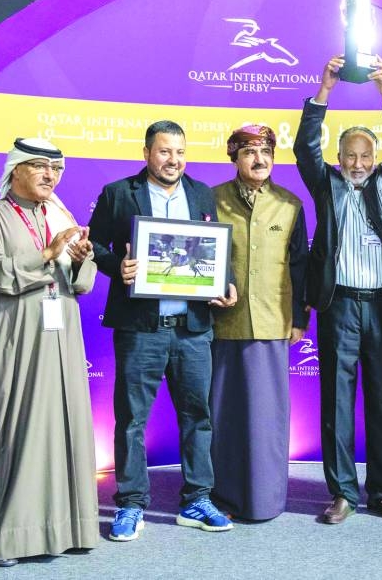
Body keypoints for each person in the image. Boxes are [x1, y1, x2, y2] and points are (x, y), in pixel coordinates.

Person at [89, 120, 237, 541]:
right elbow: (95, 245)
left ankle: (196, 500)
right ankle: (132, 504)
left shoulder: (201, 193)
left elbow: (212, 250)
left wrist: (223, 283)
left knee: (198, 417)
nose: (173, 160)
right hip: (142, 330)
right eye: (164, 151)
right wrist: (117, 266)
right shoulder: (119, 194)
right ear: (147, 153)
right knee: (132, 419)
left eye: (180, 152)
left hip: (193, 329)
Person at [293, 54, 382, 524]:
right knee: (337, 401)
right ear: (340, 158)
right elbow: (305, 149)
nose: (357, 162)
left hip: (381, 307)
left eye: (365, 155)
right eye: (349, 155)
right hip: (338, 305)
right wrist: (323, 91)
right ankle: (342, 492)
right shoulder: (326, 184)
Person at [0, 137, 98, 566]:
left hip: (61, 341)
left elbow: (82, 283)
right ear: (15, 170)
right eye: (40, 166)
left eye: (56, 169)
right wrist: (48, 253)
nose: (49, 176)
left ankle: (70, 529)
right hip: (16, 346)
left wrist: (79, 258)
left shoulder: (61, 216)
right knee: (16, 436)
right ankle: (12, 538)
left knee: (65, 432)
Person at [209, 124, 309, 520]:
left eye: (266, 151)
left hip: (272, 321)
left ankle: (266, 500)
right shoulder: (210, 199)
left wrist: (299, 318)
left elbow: (299, 267)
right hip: (222, 322)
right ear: (234, 156)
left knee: (267, 418)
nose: (259, 159)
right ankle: (224, 498)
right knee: (224, 413)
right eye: (249, 152)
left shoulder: (290, 204)